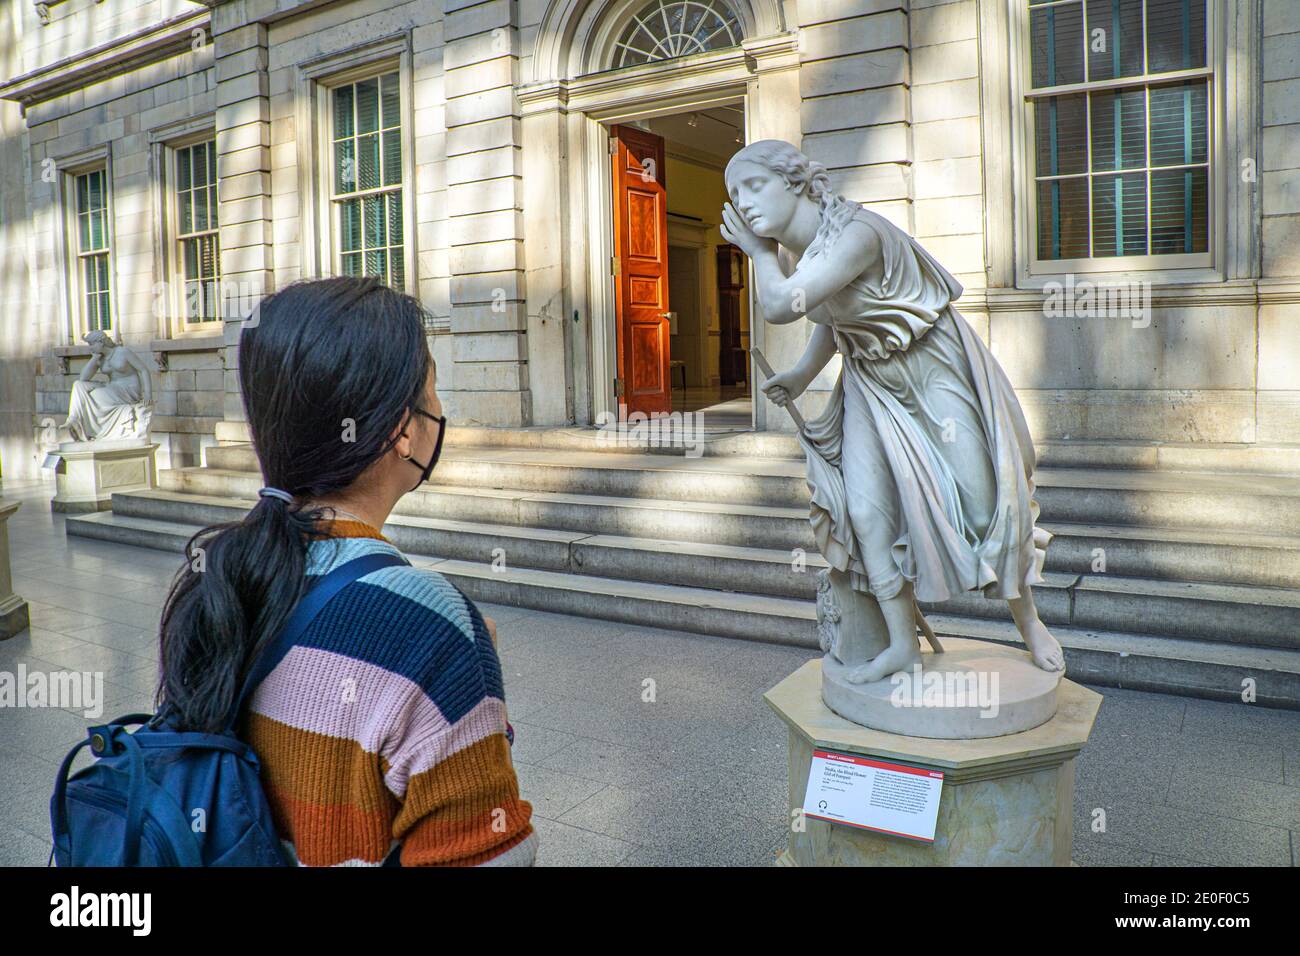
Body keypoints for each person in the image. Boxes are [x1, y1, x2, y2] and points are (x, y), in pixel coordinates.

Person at [155, 276, 536, 866]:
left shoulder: (219, 576)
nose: (440, 412)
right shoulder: (428, 623)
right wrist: (470, 697)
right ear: (401, 432)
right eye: (432, 393)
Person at [720, 140, 1064, 683]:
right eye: (734, 195)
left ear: (795, 182)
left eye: (753, 186)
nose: (743, 204)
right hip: (870, 381)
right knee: (866, 515)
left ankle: (1030, 624)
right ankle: (901, 643)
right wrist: (803, 374)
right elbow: (833, 318)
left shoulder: (857, 234)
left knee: (986, 502)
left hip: (931, 368)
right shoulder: (794, 254)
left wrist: (757, 256)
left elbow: (785, 306)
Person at [63, 330, 154, 442]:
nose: (90, 348)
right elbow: (83, 378)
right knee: (78, 385)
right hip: (112, 387)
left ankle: (91, 427)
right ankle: (73, 420)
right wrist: (94, 358)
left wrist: (148, 394)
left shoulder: (123, 352)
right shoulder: (100, 359)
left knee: (95, 395)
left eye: (92, 344)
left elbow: (143, 370)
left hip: (128, 389)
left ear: (101, 342)